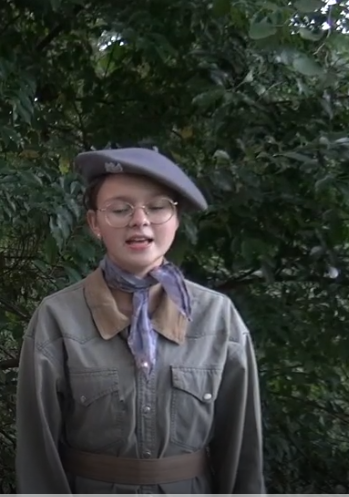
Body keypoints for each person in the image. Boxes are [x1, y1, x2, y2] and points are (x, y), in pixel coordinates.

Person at [14, 147, 265, 494]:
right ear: (94, 223)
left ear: (176, 219)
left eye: (158, 207)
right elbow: (37, 456)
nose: (140, 220)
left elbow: (242, 451)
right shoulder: (57, 319)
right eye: (120, 209)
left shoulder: (217, 317)